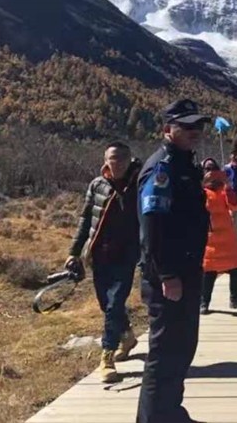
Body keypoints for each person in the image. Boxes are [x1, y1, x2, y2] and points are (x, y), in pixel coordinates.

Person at [137, 99, 212, 423]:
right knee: (166, 352)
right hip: (170, 275)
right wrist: (167, 274)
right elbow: (153, 226)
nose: (195, 131)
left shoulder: (183, 164)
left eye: (199, 125)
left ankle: (170, 412)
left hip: (188, 269)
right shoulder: (163, 168)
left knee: (182, 348)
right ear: (168, 129)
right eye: (187, 126)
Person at [66, 141, 141, 384]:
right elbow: (86, 218)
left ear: (129, 159)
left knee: (114, 303)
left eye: (121, 158)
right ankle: (127, 335)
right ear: (105, 160)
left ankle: (107, 356)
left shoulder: (139, 184)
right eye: (112, 158)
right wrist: (74, 252)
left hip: (126, 255)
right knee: (106, 303)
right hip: (99, 254)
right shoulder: (97, 184)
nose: (117, 163)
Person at [200, 158, 237, 314]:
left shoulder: (224, 189)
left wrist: (227, 184)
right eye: (207, 169)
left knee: (235, 267)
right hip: (209, 237)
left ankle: (235, 299)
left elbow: (235, 206)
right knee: (209, 271)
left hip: (227, 236)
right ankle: (204, 302)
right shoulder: (200, 191)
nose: (211, 172)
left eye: (213, 169)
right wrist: (201, 183)